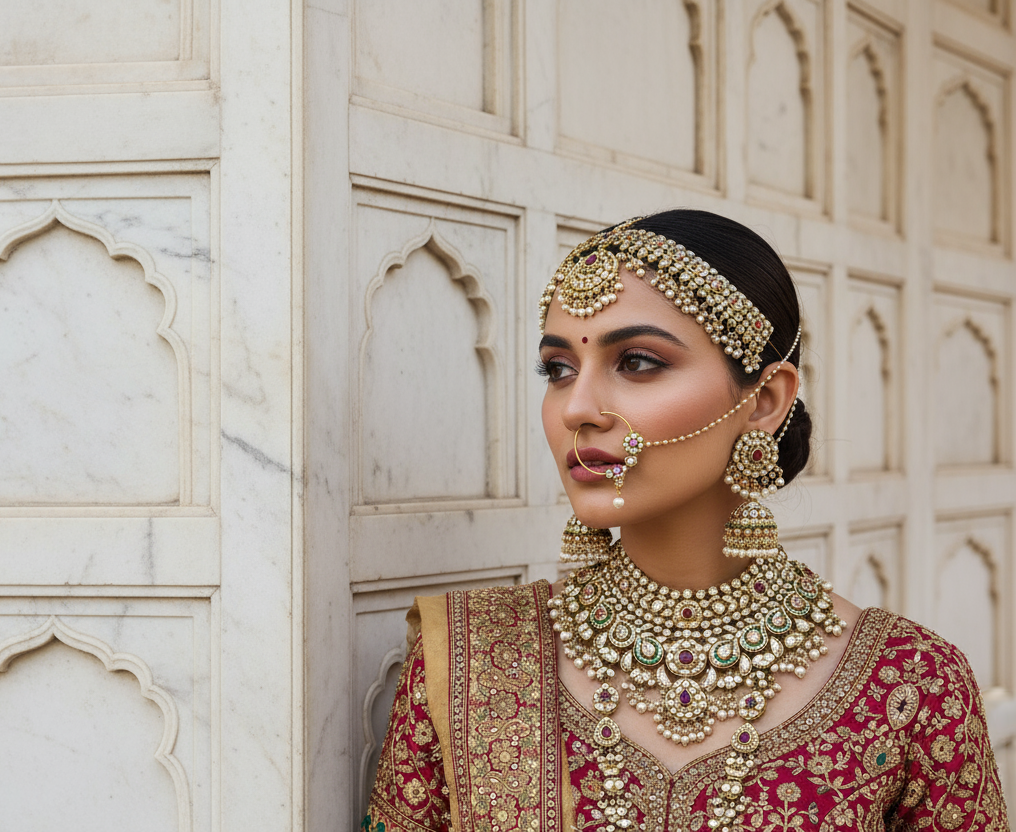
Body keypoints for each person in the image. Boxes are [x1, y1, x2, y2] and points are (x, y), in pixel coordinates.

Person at [362, 210, 1011, 831]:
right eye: (558, 369)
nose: (576, 408)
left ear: (764, 402)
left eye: (637, 362)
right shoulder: (471, 659)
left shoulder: (910, 685)